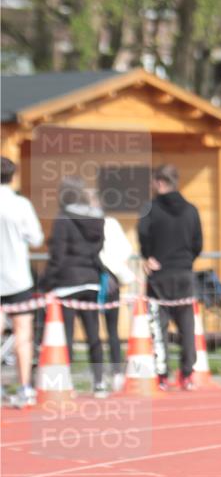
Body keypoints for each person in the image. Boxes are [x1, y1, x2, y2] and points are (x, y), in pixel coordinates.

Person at [138, 164, 203, 391]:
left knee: (159, 326)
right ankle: (187, 374)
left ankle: (162, 375)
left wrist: (148, 256)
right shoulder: (191, 210)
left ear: (159, 182)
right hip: (184, 274)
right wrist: (185, 262)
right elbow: (198, 244)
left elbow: (143, 236)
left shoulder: (150, 209)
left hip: (160, 275)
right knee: (187, 327)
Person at [41, 177, 107, 396]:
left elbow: (57, 256)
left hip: (67, 283)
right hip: (91, 280)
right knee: (93, 335)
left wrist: (45, 283)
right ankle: (99, 382)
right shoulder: (97, 220)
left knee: (66, 335)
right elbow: (98, 248)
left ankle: (66, 383)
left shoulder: (62, 219)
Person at [0, 156, 44, 407]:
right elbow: (36, 237)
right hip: (18, 279)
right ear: (13, 176)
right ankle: (25, 387)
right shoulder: (20, 204)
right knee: (23, 335)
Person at [98, 202, 136, 391]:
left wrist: (109, 266)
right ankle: (115, 374)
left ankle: (104, 377)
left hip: (100, 278)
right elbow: (126, 249)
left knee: (99, 330)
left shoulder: (105, 223)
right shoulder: (112, 223)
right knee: (110, 330)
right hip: (110, 279)